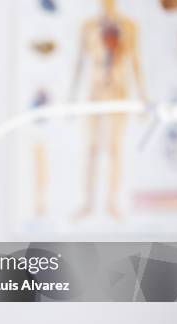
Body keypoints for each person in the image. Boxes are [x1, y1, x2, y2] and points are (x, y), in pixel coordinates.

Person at [70, 0, 147, 221]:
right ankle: (88, 203)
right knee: (92, 149)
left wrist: (143, 97)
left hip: (118, 91)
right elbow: (79, 62)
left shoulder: (129, 27)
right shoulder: (88, 27)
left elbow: (135, 61)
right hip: (94, 93)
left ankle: (111, 203)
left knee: (113, 149)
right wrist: (71, 97)